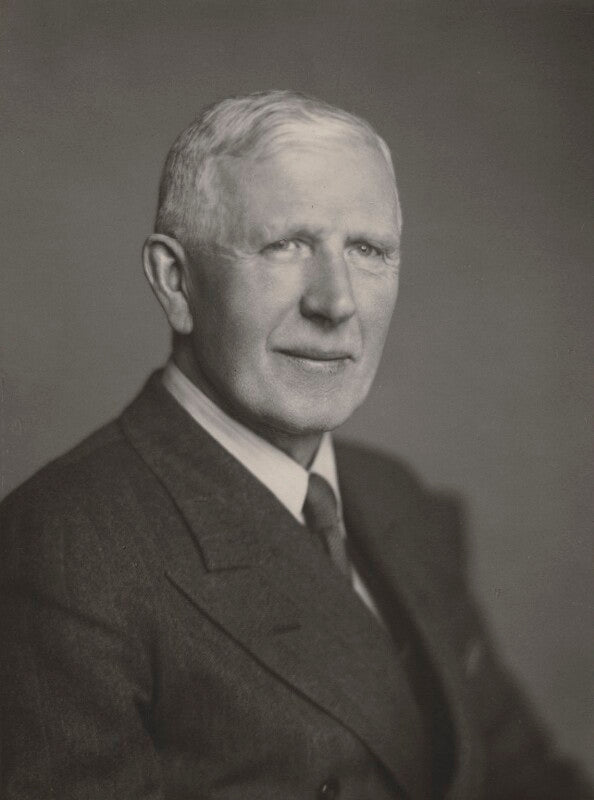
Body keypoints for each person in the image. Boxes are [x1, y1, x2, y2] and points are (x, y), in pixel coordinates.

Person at [0, 90, 590, 800]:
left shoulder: (396, 499)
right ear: (176, 282)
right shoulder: (61, 551)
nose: (335, 302)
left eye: (368, 250)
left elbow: (524, 778)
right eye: (285, 245)